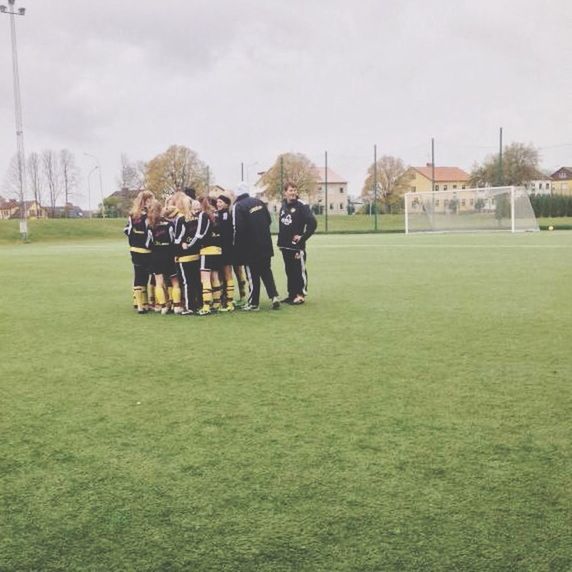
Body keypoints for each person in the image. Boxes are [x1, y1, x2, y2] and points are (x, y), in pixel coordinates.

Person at [232, 182, 280, 311]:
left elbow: (238, 228)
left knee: (252, 274)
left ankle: (254, 303)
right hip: (265, 243)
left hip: (250, 247)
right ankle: (274, 296)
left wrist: (236, 246)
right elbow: (269, 221)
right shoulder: (259, 202)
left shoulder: (238, 206)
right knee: (266, 270)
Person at [277, 181, 317, 304]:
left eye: (295, 190)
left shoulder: (302, 206)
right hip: (285, 245)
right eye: (290, 190)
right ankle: (292, 294)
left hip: (296, 247)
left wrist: (303, 237)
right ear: (285, 192)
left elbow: (312, 223)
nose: (293, 192)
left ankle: (300, 294)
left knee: (298, 270)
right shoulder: (283, 205)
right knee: (289, 271)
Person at [146, 200, 182, 315]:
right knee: (175, 281)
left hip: (156, 255)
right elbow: (173, 240)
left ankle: (163, 307)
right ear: (161, 209)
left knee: (159, 282)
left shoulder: (150, 225)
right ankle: (176, 306)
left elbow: (147, 243)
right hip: (169, 255)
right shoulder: (169, 223)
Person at [124, 190, 154, 314]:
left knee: (138, 275)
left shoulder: (133, 214)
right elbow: (150, 232)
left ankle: (139, 304)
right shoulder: (148, 215)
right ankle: (144, 304)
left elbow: (127, 230)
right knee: (145, 276)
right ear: (147, 200)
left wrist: (133, 240)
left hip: (134, 249)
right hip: (145, 249)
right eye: (151, 199)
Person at [173, 192, 202, 315]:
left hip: (184, 255)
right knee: (196, 280)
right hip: (197, 253)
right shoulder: (198, 217)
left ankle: (189, 306)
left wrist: (176, 253)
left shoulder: (181, 219)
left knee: (186, 281)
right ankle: (199, 303)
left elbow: (178, 238)